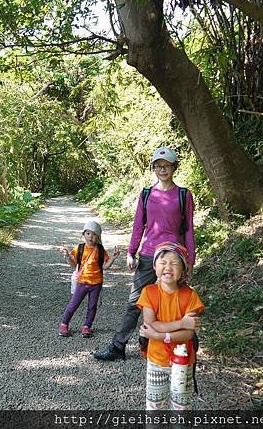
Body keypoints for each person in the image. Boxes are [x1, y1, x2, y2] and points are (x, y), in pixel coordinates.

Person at [93, 146, 196, 360]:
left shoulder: (184, 195)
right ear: (153, 168)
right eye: (158, 166)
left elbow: (188, 230)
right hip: (149, 255)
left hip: (173, 257)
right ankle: (118, 346)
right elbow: (138, 226)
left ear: (174, 167)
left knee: (175, 302)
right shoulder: (146, 194)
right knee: (135, 303)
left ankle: (178, 345)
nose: (162, 170)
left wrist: (190, 259)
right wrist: (131, 252)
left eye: (166, 165)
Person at [137, 242, 204, 410]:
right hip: (156, 361)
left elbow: (189, 334)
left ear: (184, 269)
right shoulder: (149, 292)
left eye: (174, 263)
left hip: (183, 362)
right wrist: (181, 323)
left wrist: (159, 335)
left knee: (181, 409)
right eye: (163, 262)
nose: (168, 267)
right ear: (154, 266)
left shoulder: (190, 295)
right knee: (154, 409)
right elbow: (150, 324)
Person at [59, 220, 120, 338]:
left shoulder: (101, 251)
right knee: (74, 304)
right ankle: (64, 324)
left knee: (92, 306)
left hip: (96, 283)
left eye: (94, 234)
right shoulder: (80, 248)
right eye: (88, 233)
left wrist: (112, 258)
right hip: (82, 282)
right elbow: (74, 264)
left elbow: (104, 266)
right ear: (83, 234)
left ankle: (87, 326)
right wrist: (67, 256)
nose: (91, 236)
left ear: (98, 236)